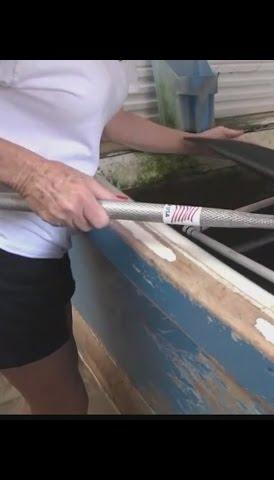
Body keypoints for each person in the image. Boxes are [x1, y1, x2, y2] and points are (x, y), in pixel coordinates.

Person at [0, 60, 243, 414]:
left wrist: (190, 143)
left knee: (59, 382)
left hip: (41, 249)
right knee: (64, 405)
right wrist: (31, 174)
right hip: (7, 251)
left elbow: (105, 118)